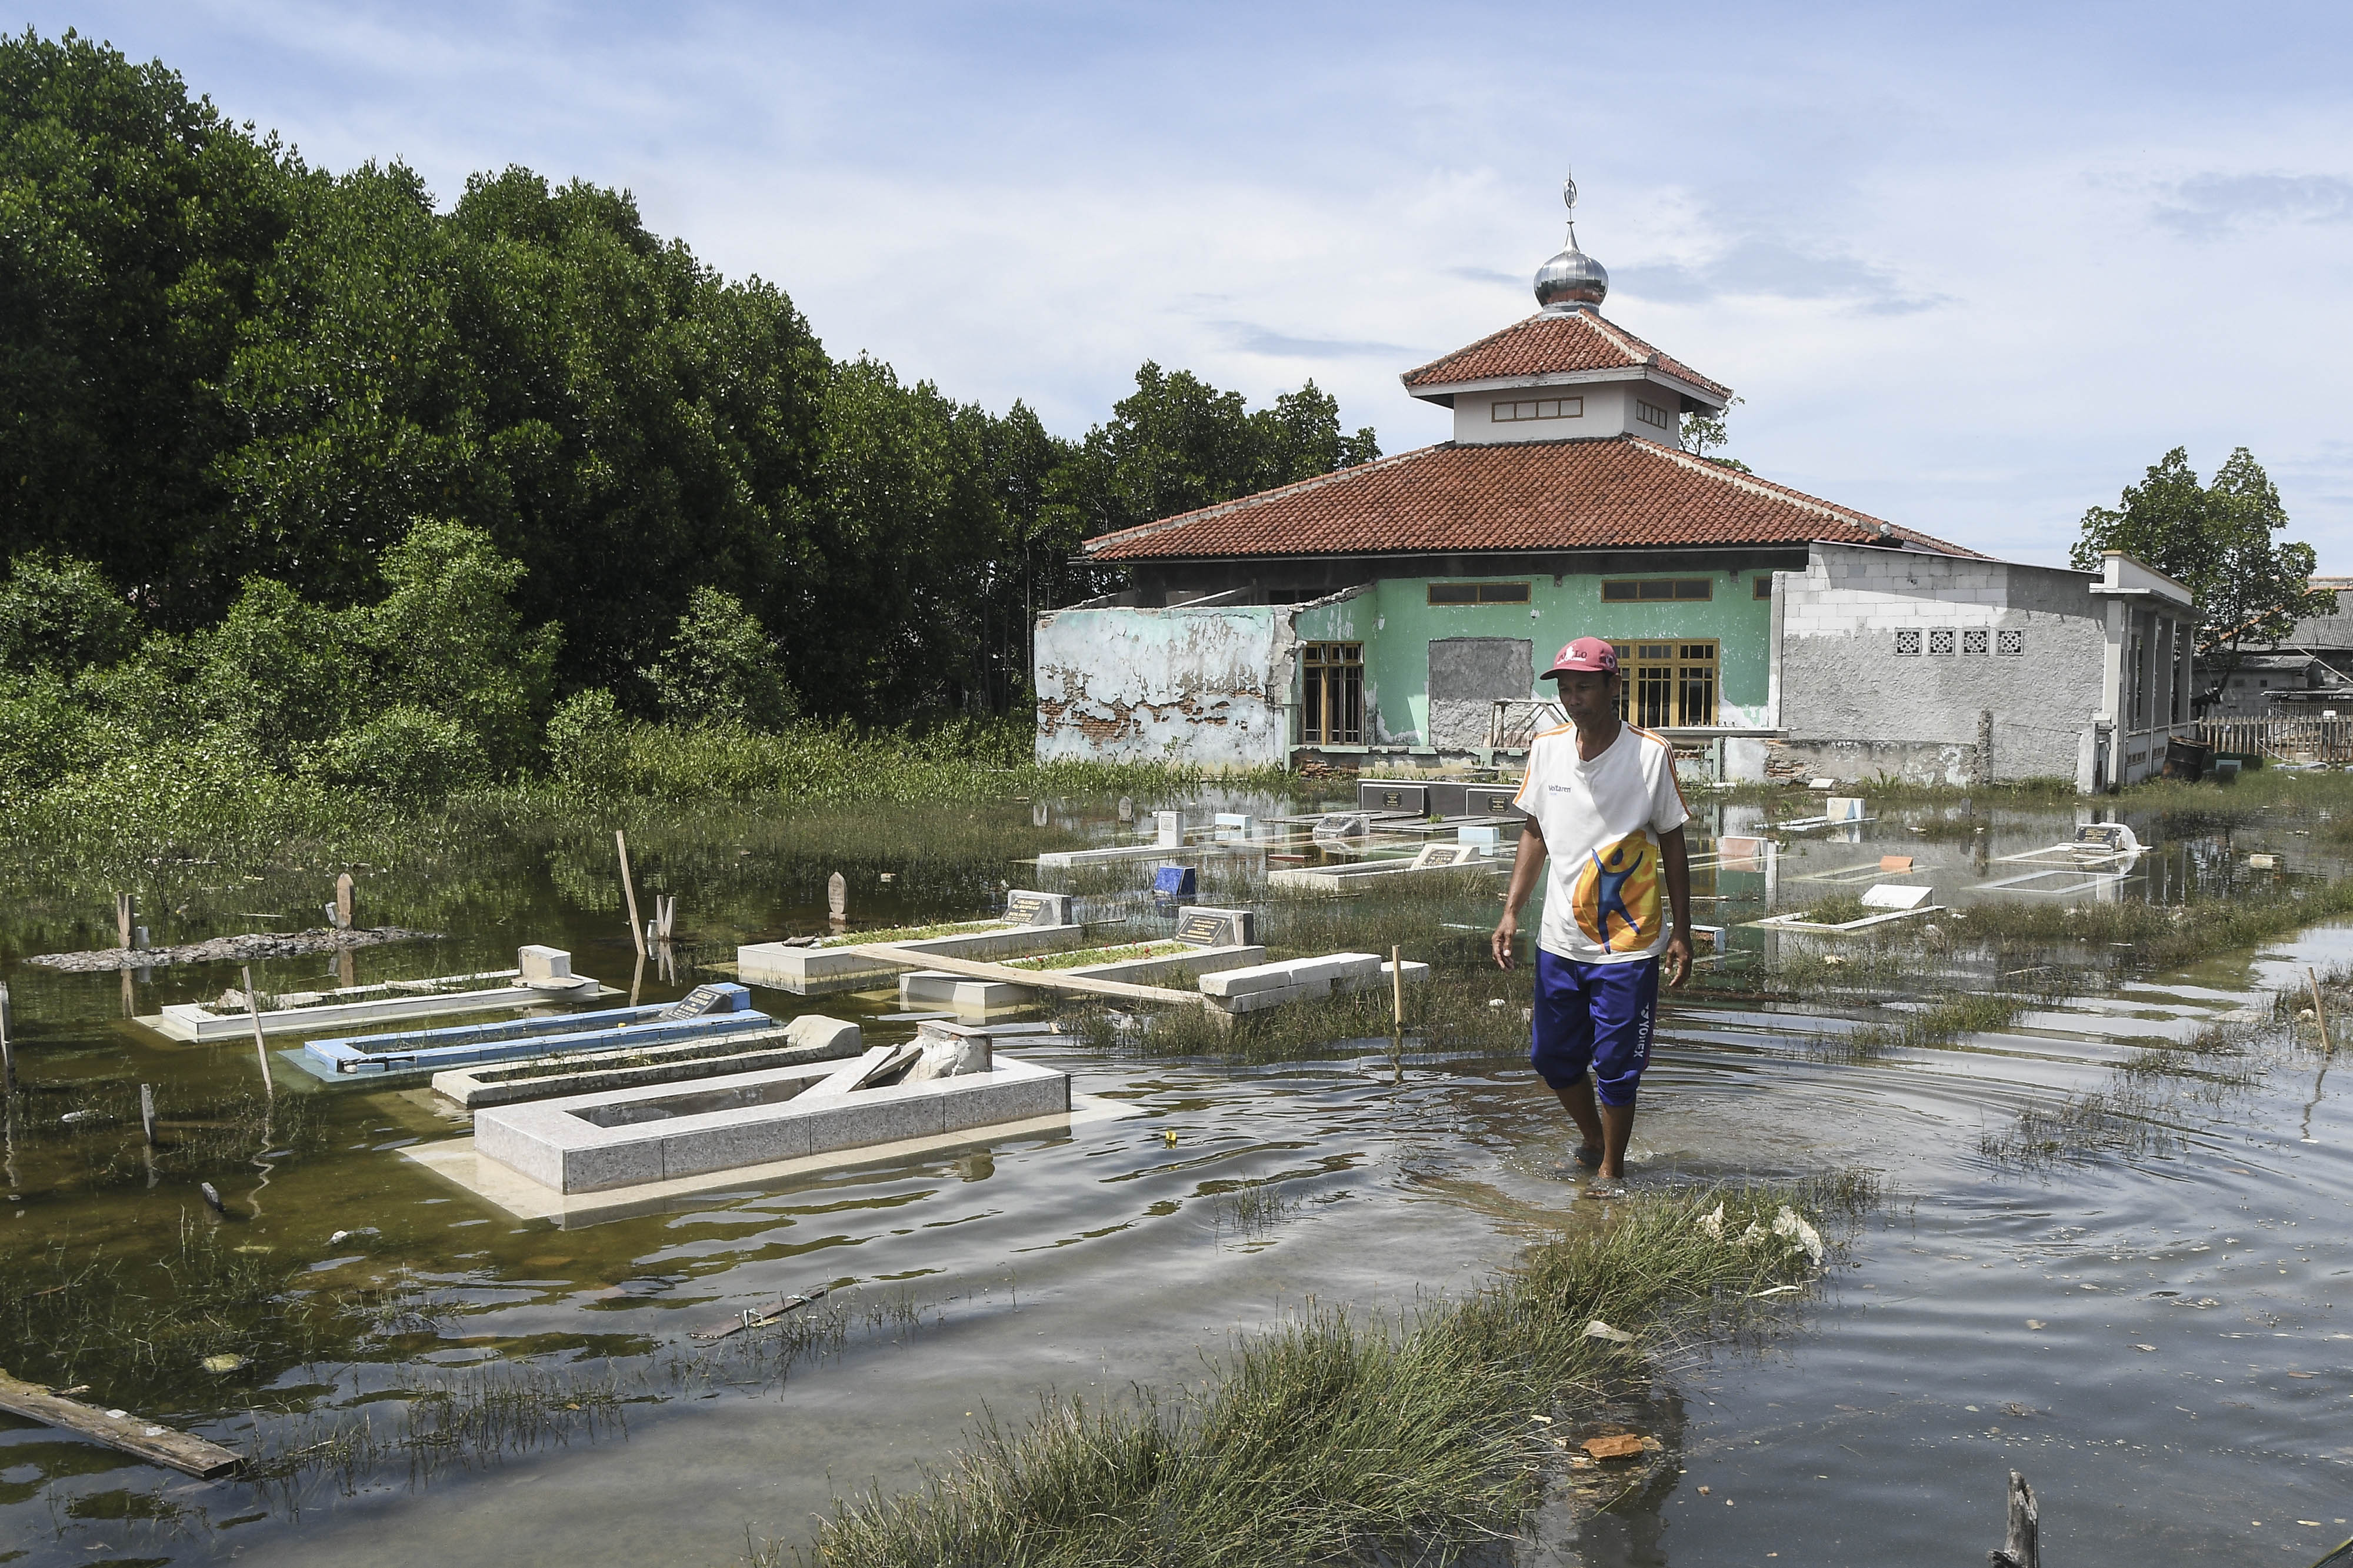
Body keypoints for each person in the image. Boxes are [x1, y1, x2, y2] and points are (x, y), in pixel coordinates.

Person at [1491, 636, 1693, 1195]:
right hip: (1559, 940)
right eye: (1565, 688)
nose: (1573, 698)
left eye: (1584, 686)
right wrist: (1511, 912)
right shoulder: (1547, 750)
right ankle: (1593, 1138)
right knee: (1552, 1057)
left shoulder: (1650, 756)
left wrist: (1683, 930)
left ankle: (1611, 1173)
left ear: (1613, 687)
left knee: (1618, 1067)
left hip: (1628, 945)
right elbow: (1535, 832)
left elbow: (1673, 842)